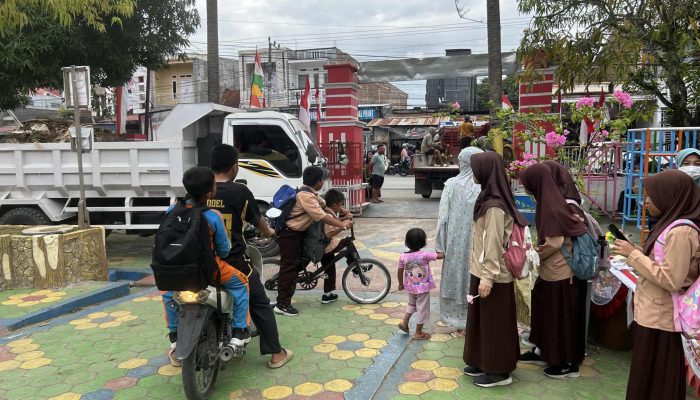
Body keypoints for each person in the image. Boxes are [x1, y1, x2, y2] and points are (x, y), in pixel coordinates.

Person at [610, 170, 700, 400]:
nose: (645, 201)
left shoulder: (681, 231)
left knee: (658, 380)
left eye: (651, 196)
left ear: (670, 196)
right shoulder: (670, 225)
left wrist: (633, 256)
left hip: (664, 319)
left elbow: (671, 279)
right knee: (648, 377)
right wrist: (637, 252)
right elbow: (663, 264)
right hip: (654, 314)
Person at [207, 144, 292, 369]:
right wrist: (270, 232)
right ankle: (276, 353)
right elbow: (259, 223)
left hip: (199, 263)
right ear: (234, 167)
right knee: (260, 302)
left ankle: (177, 349)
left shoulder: (198, 191)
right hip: (232, 263)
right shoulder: (239, 192)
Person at [162, 167, 250, 367]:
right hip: (208, 269)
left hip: (174, 269)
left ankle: (174, 334)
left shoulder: (170, 211)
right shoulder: (212, 215)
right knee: (241, 285)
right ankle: (239, 332)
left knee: (168, 293)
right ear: (210, 192)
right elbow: (224, 249)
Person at [518, 163, 588, 379]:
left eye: (527, 184)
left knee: (561, 318)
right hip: (552, 271)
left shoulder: (555, 206)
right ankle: (544, 351)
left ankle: (567, 363)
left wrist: (532, 255)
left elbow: (555, 243)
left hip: (562, 272)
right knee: (547, 313)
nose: (526, 189)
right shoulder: (551, 202)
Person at [463, 151, 525, 387]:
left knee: (495, 324)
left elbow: (494, 244)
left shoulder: (495, 207)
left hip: (494, 276)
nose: (474, 174)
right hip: (481, 271)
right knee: (482, 322)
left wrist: (487, 278)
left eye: (477, 169)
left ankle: (499, 371)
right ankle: (482, 360)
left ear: (486, 172)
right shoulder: (488, 198)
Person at [275, 166, 353, 316]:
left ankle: (286, 294)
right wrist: (342, 225)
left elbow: (325, 205)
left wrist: (344, 212)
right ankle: (282, 304)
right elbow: (321, 216)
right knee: (289, 268)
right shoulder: (306, 196)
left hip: (298, 234)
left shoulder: (312, 193)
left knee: (297, 266)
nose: (323, 182)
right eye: (322, 179)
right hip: (289, 235)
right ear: (318, 182)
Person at [435, 147, 483, 335]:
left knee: (457, 275)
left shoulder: (452, 185)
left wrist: (440, 245)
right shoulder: (484, 185)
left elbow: (443, 218)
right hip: (478, 241)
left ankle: (460, 321)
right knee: (474, 275)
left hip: (455, 240)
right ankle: (474, 319)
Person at [397, 228, 444, 340]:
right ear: (423, 243)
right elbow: (441, 256)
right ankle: (418, 333)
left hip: (410, 287)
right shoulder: (424, 255)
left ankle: (405, 322)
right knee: (422, 309)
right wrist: (442, 247)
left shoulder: (403, 256)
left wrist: (400, 284)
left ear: (406, 242)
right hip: (422, 288)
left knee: (412, 305)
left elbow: (399, 271)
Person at [320, 189, 350, 304]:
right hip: (325, 246)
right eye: (340, 205)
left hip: (324, 246)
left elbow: (335, 221)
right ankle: (357, 269)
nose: (341, 208)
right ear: (334, 204)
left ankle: (327, 295)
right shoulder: (327, 214)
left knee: (330, 268)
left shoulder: (328, 211)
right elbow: (329, 233)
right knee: (348, 242)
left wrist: (343, 218)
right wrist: (343, 226)